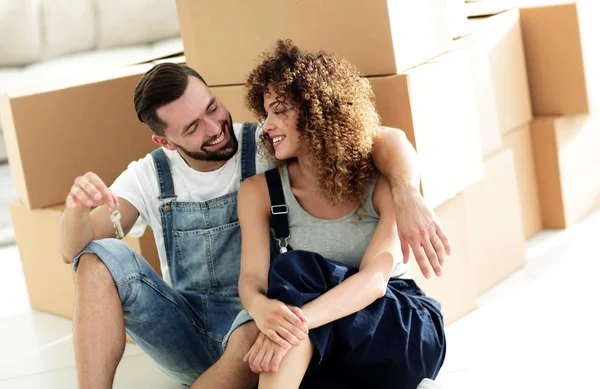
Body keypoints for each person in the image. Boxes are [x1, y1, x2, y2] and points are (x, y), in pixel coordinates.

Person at [57, 57, 449, 388]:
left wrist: (407, 193)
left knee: (285, 295)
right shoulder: (150, 176)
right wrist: (75, 210)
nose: (213, 128)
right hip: (195, 327)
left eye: (212, 108)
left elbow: (381, 139)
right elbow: (72, 250)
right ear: (166, 142)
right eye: (192, 127)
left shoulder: (264, 144)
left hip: (260, 324)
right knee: (96, 256)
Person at [235, 40, 446, 389]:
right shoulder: (259, 192)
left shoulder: (380, 180)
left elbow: (374, 282)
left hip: (397, 329)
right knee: (287, 309)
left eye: (278, 110)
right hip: (326, 342)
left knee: (295, 271)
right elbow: (251, 280)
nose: (266, 126)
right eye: (264, 115)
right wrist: (261, 310)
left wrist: (293, 323)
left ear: (317, 110)